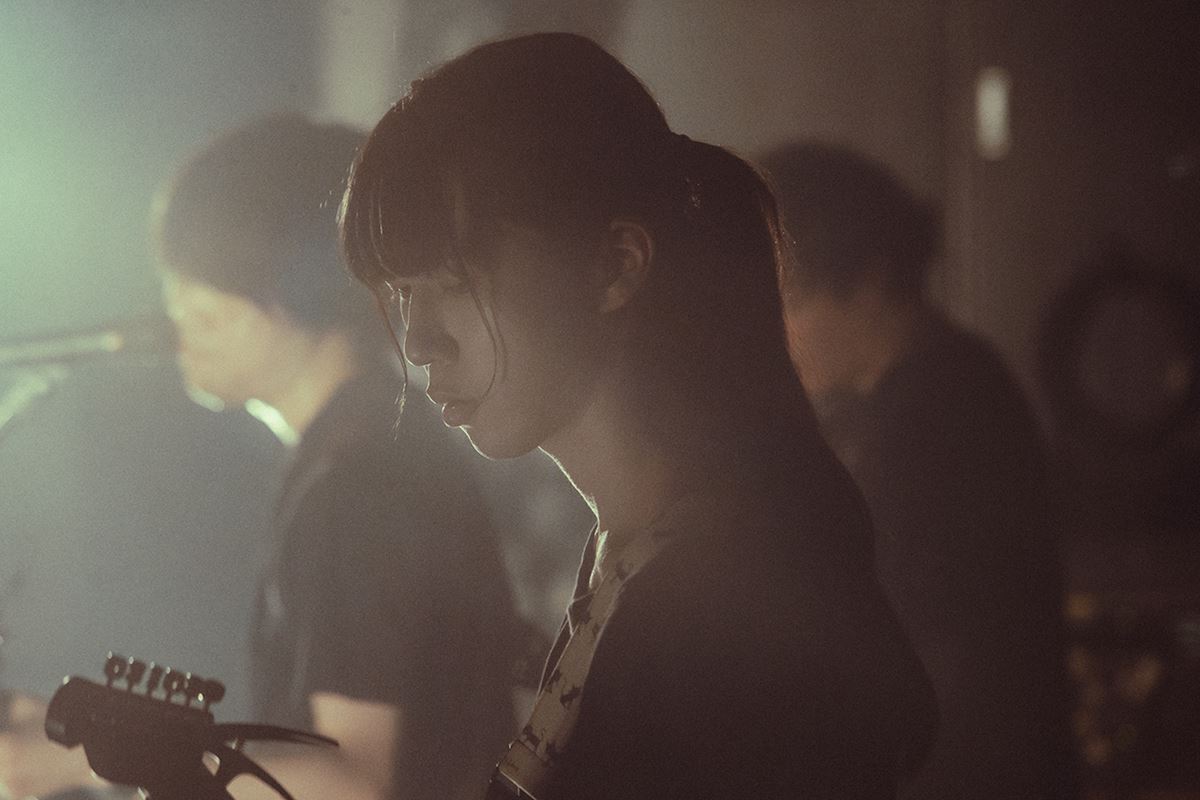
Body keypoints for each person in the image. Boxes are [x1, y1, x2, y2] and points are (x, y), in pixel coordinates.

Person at [339, 33, 936, 800]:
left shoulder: (732, 599)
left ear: (616, 266)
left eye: (455, 281)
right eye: (401, 292)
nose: (419, 341)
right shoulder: (641, 550)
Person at [152, 114, 525, 800]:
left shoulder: (356, 485)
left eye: (206, 311)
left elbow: (353, 780)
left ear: (300, 289)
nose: (182, 334)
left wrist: (95, 756)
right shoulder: (373, 440)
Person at [761, 141, 1072, 799]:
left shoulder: (946, 412)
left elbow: (914, 639)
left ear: (871, 283)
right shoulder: (920, 393)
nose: (776, 333)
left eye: (791, 302)